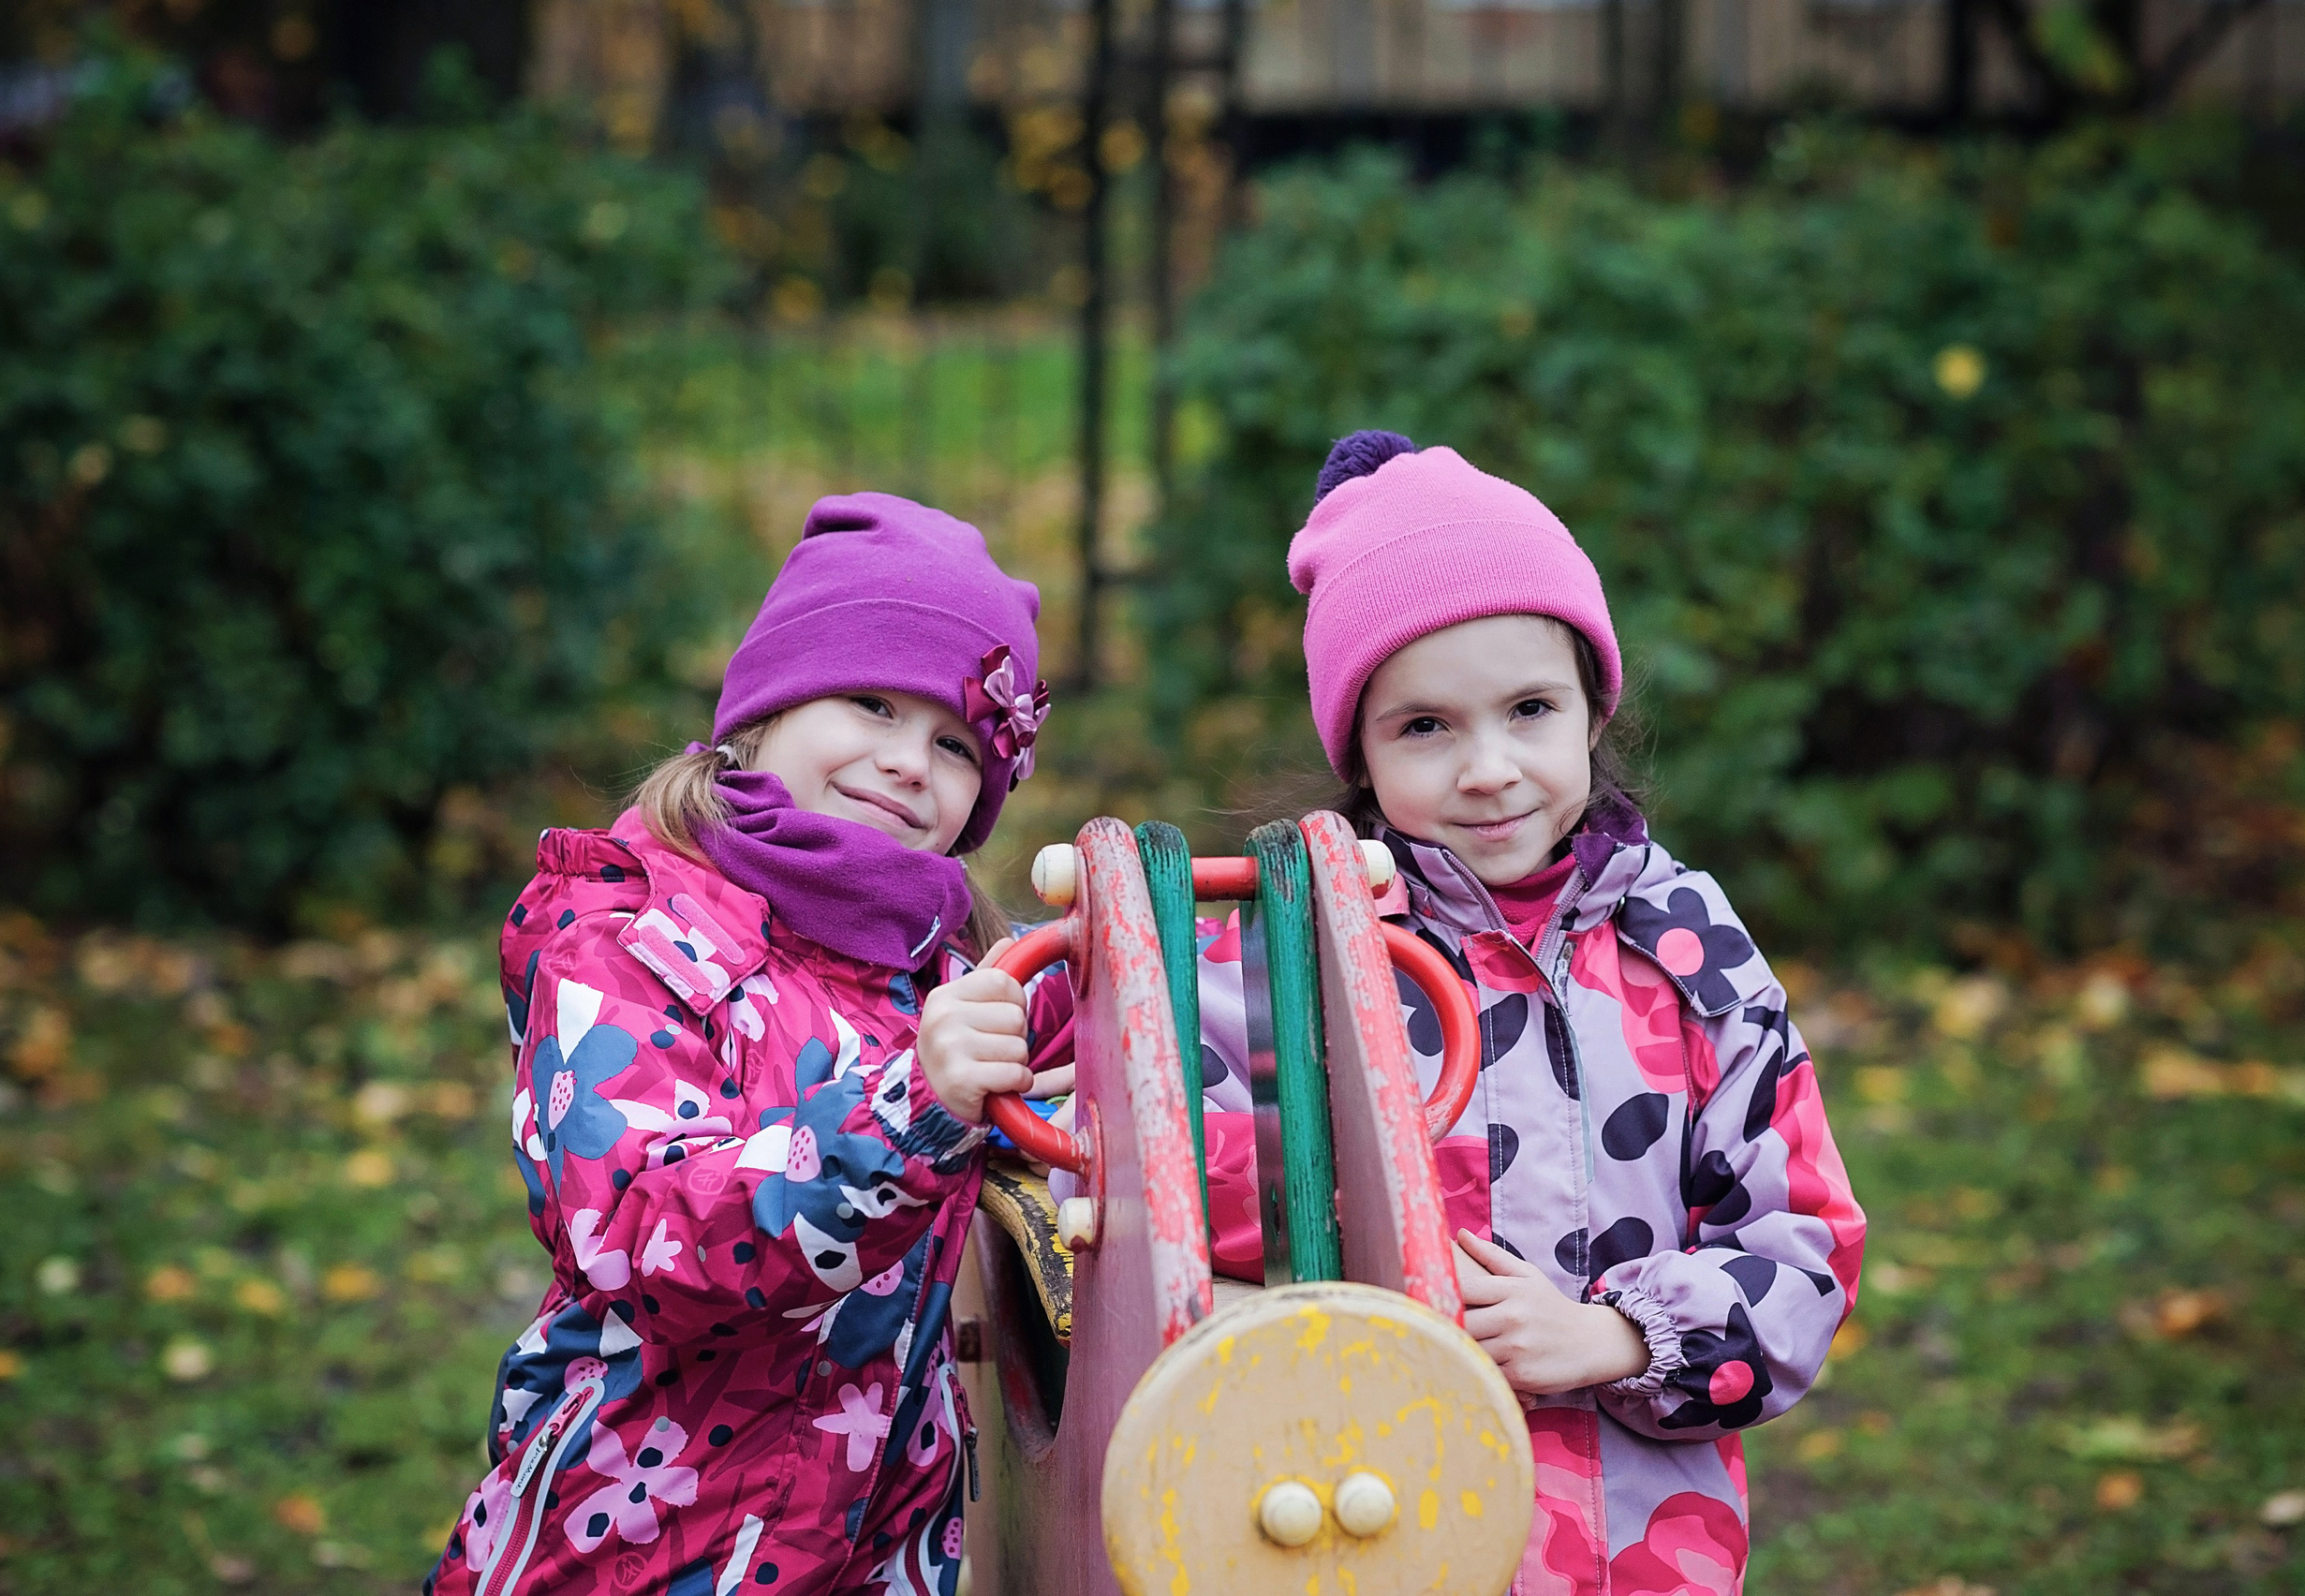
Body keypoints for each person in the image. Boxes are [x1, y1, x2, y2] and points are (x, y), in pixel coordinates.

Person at [1191, 433, 1867, 1595]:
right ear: (1356, 746)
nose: (1490, 768)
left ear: (1593, 710)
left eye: (1528, 709)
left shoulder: (1686, 947)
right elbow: (1164, 1192)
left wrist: (1618, 1337)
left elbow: (1803, 1242)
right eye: (1425, 727)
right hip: (1363, 1518)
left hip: (1641, 1541)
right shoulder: (1287, 952)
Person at [427, 493, 1057, 1596]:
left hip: (873, 1547)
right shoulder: (619, 936)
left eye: (957, 744)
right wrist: (913, 1112)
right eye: (870, 703)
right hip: (635, 1544)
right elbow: (647, 1236)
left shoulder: (947, 978)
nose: (909, 762)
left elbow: (1091, 1127)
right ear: (763, 709)